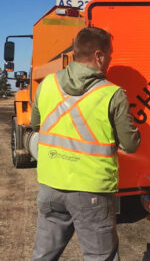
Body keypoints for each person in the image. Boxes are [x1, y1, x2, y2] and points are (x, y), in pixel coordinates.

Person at [30, 27, 140, 261]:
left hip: (51, 187)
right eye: (110, 54)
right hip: (92, 193)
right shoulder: (113, 94)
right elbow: (131, 146)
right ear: (99, 56)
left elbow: (36, 124)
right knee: (100, 257)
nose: (110, 59)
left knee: (43, 256)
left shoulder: (47, 84)